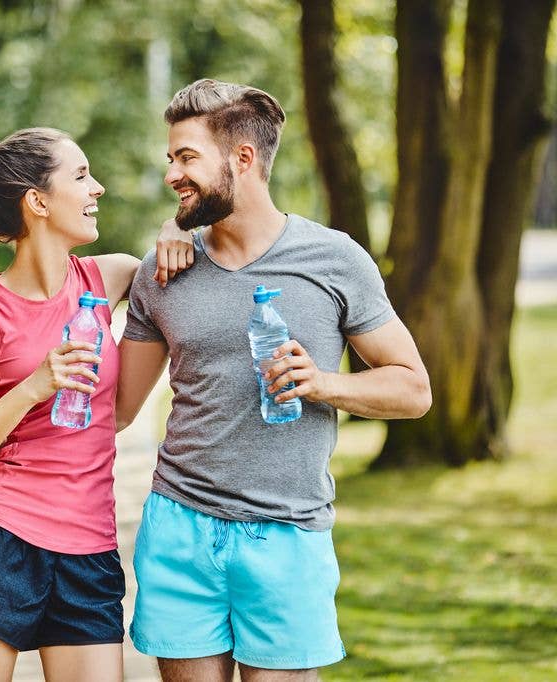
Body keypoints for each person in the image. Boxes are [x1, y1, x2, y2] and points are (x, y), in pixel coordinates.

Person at [115, 79, 432, 681]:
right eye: (171, 159)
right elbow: (117, 410)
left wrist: (323, 384)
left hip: (287, 534)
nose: (172, 175)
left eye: (186, 158)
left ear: (243, 159)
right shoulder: (163, 271)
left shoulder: (334, 258)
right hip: (181, 526)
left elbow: (413, 389)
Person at [0, 127, 192, 682]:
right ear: (38, 202)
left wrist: (173, 226)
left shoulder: (110, 276)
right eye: (81, 175)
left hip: (90, 554)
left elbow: (188, 257)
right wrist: (32, 387)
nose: (98, 188)